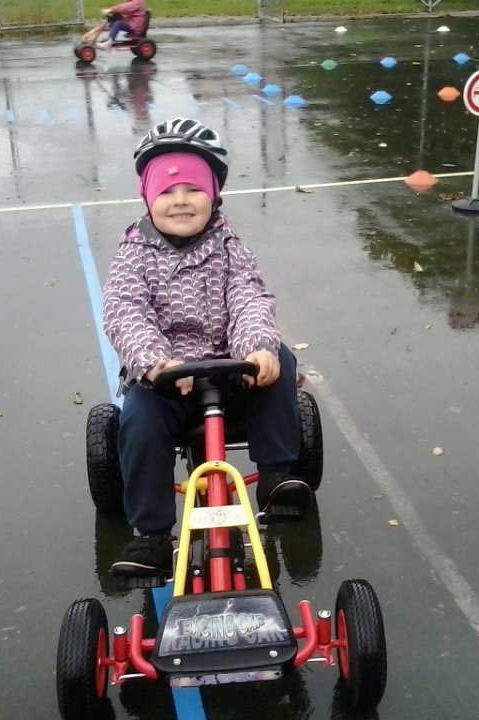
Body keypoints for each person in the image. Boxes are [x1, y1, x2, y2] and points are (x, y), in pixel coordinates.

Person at [102, 117, 313, 578]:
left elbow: (248, 296)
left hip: (230, 370)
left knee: (280, 358)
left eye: (194, 189)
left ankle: (276, 476)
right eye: (167, 191)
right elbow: (125, 310)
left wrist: (256, 349)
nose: (180, 200)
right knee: (138, 419)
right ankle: (152, 535)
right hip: (168, 383)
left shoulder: (228, 245)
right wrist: (156, 362)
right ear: (147, 198)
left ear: (214, 195)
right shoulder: (134, 253)